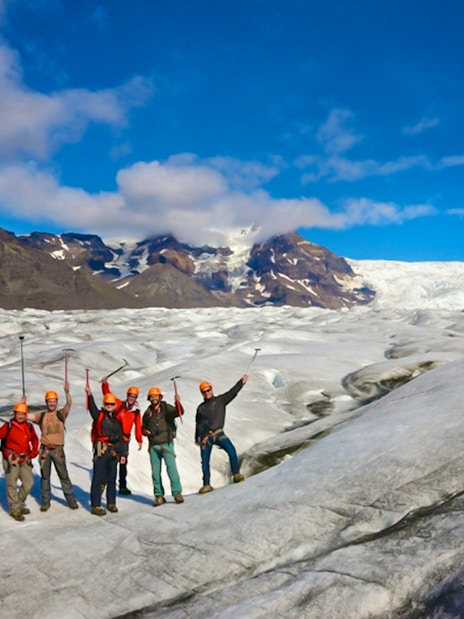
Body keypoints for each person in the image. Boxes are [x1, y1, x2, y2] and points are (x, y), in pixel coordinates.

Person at [28, 382, 79, 511]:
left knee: (64, 476)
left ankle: (71, 500)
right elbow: (28, 416)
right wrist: (23, 406)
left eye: (54, 401)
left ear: (56, 402)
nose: (51, 403)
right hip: (45, 450)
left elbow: (68, 405)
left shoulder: (61, 414)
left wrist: (67, 392)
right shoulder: (42, 416)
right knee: (45, 477)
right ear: (46, 402)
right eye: (49, 401)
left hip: (58, 450)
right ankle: (46, 501)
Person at [195, 376, 247, 494]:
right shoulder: (201, 408)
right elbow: (198, 424)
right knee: (205, 461)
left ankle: (236, 474)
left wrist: (241, 382)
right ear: (202, 393)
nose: (207, 393)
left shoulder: (220, 400)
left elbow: (232, 393)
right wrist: (198, 437)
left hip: (218, 433)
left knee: (232, 451)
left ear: (211, 389)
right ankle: (206, 484)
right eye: (204, 392)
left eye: (208, 390)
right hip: (205, 438)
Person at [85, 385, 126, 516]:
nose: (109, 406)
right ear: (104, 404)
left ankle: (111, 503)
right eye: (107, 404)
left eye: (111, 404)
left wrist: (122, 453)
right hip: (101, 450)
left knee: (112, 478)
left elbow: (121, 438)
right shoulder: (99, 416)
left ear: (114, 406)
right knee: (98, 477)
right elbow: (92, 408)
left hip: (113, 451)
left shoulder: (117, 420)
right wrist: (89, 395)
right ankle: (96, 505)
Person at [142, 386, 184, 505]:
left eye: (155, 396)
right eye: (151, 396)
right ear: (149, 398)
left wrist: (178, 402)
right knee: (156, 472)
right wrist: (145, 432)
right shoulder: (147, 413)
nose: (153, 398)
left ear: (160, 397)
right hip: (153, 446)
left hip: (167, 443)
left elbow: (179, 412)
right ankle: (159, 495)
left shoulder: (166, 408)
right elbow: (142, 428)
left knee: (172, 469)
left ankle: (177, 493)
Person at [100, 378, 142, 495]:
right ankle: (104, 483)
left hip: (125, 439)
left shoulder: (136, 411)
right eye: (130, 396)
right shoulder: (119, 405)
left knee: (123, 462)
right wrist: (105, 384)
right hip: (115, 437)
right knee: (111, 459)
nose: (131, 398)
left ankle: (122, 486)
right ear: (127, 395)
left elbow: (138, 425)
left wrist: (139, 439)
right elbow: (108, 395)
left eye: (134, 397)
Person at [0, 402, 39, 521]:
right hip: (12, 459)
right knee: (11, 484)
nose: (20, 416)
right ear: (15, 413)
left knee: (29, 483)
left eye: (23, 414)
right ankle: (15, 510)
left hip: (25, 458)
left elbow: (35, 440)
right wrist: (6, 454)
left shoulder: (29, 426)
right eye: (18, 414)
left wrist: (33, 452)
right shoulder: (9, 426)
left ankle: (18, 503)